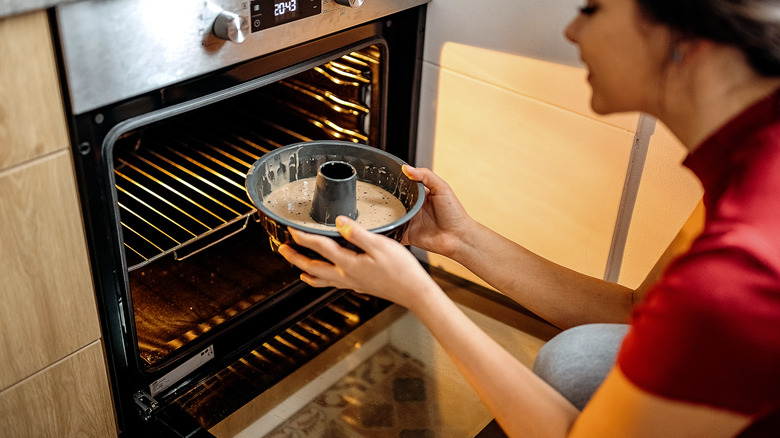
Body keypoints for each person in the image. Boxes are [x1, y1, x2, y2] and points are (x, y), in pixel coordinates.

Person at [277, 0, 780, 436]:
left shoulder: (740, 269)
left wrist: (418, 293)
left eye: (592, 9)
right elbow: (635, 313)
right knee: (578, 357)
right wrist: (461, 240)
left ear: (686, 38)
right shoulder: (753, 157)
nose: (571, 32)